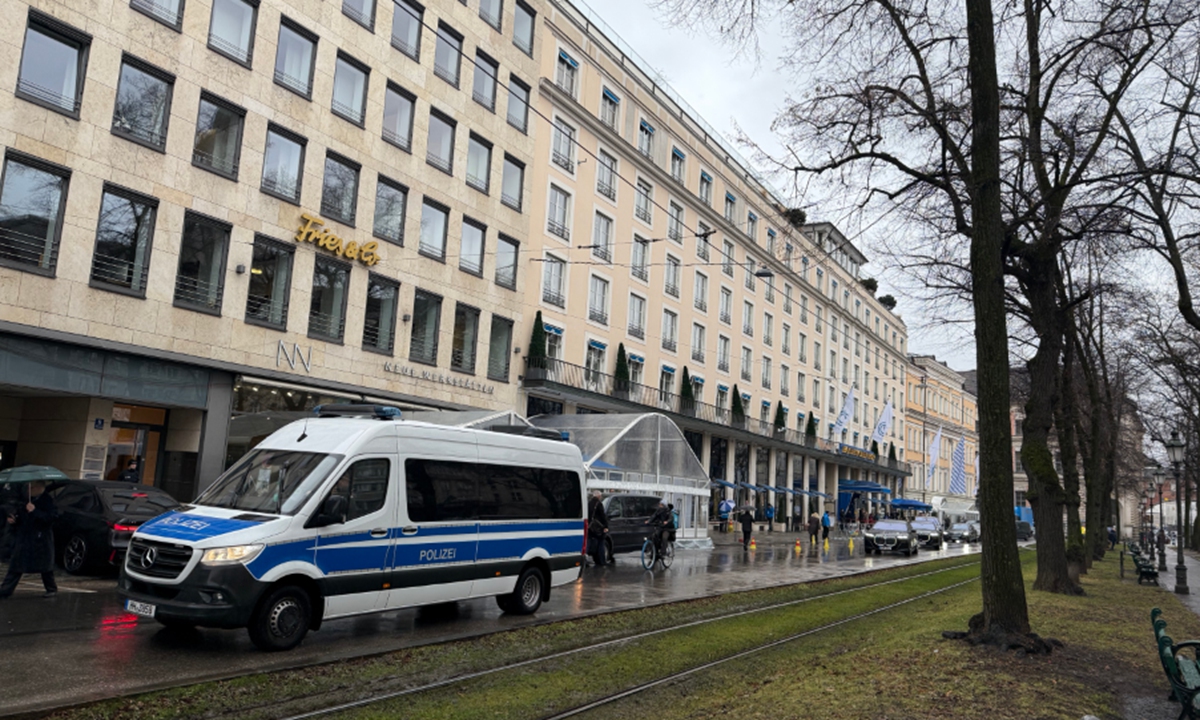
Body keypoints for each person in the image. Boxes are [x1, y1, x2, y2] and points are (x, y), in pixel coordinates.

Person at [0, 481, 59, 599]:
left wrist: (34, 511)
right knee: (17, 564)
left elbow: (50, 518)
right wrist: (14, 519)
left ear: (38, 488)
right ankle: (5, 590)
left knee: (45, 567)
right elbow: (21, 514)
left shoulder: (47, 500)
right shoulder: (26, 499)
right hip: (25, 536)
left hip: (40, 538)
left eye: (31, 487)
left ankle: (51, 588)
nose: (28, 489)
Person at [586, 491, 609, 566]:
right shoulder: (599, 504)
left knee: (588, 543)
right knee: (601, 542)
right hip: (598, 527)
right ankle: (602, 561)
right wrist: (605, 526)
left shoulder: (589, 503)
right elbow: (602, 516)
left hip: (590, 526)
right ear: (599, 496)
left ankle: (585, 560)